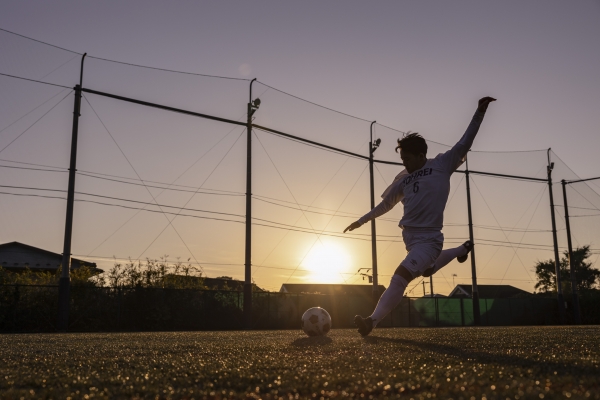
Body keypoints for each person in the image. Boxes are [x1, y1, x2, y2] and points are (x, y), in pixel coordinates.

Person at [344, 96, 496, 336]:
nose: (403, 161)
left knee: (400, 277)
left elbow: (465, 141)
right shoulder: (403, 178)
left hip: (429, 240)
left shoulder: (442, 164)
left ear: (420, 155)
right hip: (411, 240)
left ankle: (371, 322)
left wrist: (479, 112)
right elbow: (385, 205)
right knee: (427, 270)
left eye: (406, 157)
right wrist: (361, 220)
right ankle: (462, 250)